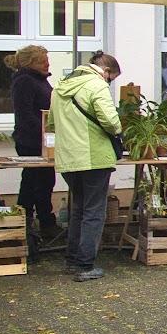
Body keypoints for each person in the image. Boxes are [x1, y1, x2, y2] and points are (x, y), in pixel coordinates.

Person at [48, 51, 123, 282]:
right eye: (112, 78)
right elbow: (111, 122)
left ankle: (72, 259)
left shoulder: (60, 87)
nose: (109, 83)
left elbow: (51, 122)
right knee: (93, 211)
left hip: (69, 158)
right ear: (106, 71)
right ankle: (85, 264)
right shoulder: (96, 85)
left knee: (78, 209)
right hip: (94, 156)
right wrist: (119, 131)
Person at [4, 45, 59, 248]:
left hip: (43, 140)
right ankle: (30, 223)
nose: (47, 63)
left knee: (43, 181)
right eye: (43, 60)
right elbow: (25, 113)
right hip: (31, 141)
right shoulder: (25, 81)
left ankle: (41, 221)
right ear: (31, 63)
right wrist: (45, 133)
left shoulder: (39, 79)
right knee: (33, 181)